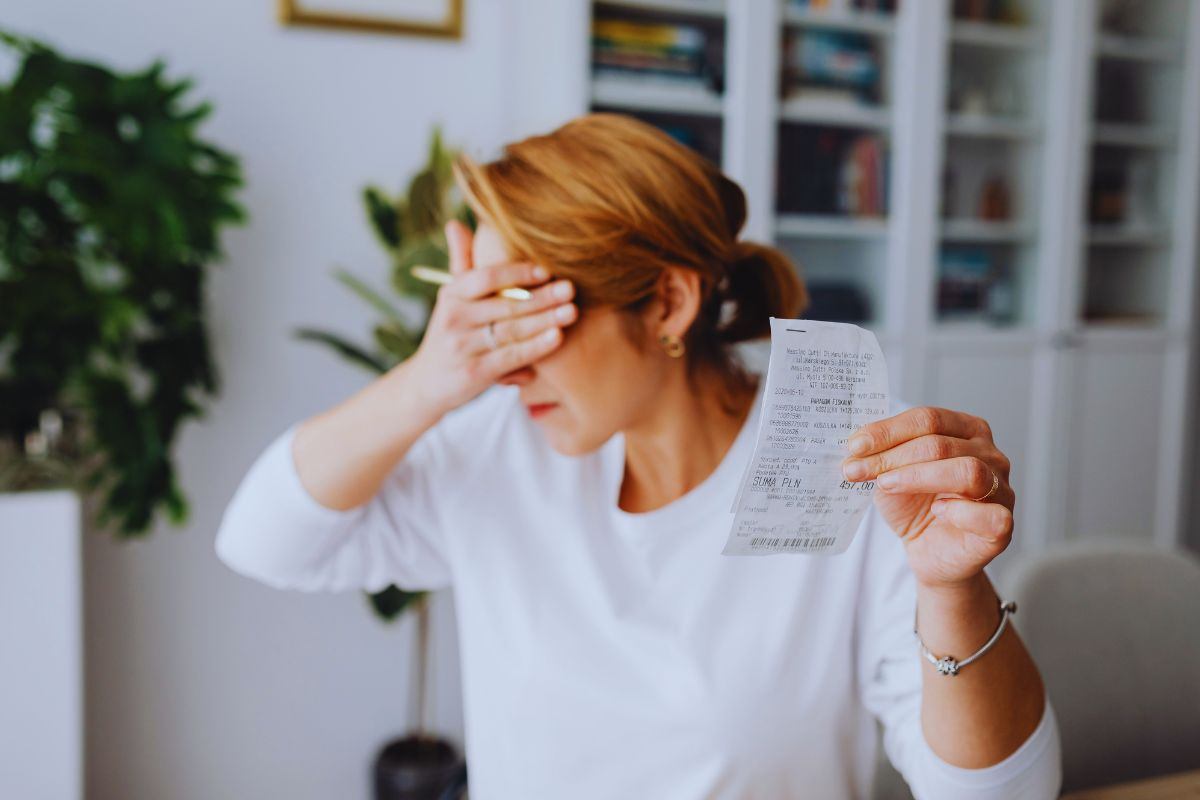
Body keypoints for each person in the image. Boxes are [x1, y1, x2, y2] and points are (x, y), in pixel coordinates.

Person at [216, 114, 1061, 799]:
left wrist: (954, 592)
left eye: (526, 313)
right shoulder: (497, 450)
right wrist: (429, 380)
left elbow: (1003, 796)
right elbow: (262, 543)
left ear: (666, 301)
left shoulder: (845, 468)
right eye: (485, 321)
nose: (505, 364)